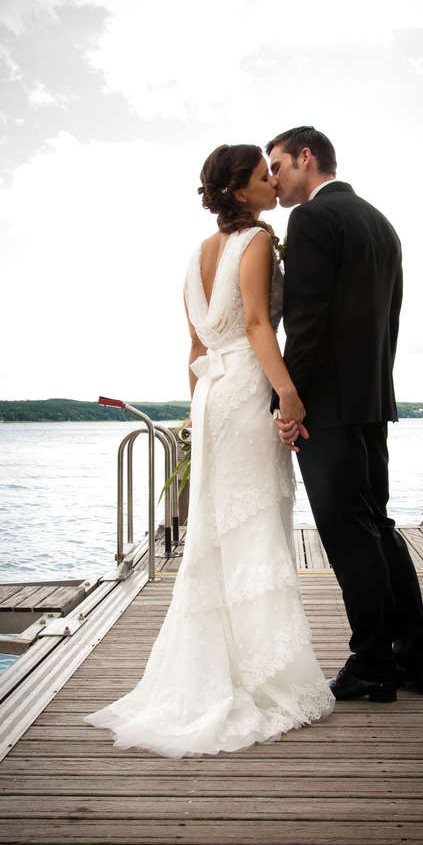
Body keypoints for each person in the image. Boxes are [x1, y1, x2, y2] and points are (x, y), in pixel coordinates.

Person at [84, 144, 334, 757]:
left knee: (218, 528)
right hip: (248, 391)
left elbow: (194, 344)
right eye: (261, 176)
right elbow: (255, 326)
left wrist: (198, 416)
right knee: (252, 524)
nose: (272, 183)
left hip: (211, 396)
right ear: (240, 191)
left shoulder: (195, 255)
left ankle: (218, 665)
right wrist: (289, 395)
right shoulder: (252, 244)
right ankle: (261, 677)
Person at [266, 126, 423, 703]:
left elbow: (306, 322)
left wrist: (289, 401)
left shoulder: (312, 220)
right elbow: (388, 320)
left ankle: (371, 664)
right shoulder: (380, 223)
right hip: (371, 403)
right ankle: (414, 658)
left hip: (328, 409)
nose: (274, 178)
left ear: (306, 158)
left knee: (348, 536)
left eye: (279, 164)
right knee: (379, 528)